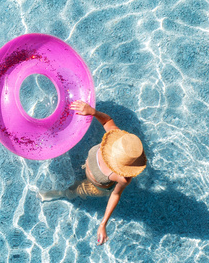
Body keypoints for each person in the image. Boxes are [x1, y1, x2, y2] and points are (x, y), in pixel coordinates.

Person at [39, 101, 147, 245]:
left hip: (96, 186)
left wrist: (103, 224)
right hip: (87, 165)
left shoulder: (123, 178)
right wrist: (92, 111)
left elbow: (115, 194)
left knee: (73, 190)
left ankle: (60, 194)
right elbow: (108, 120)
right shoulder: (116, 140)